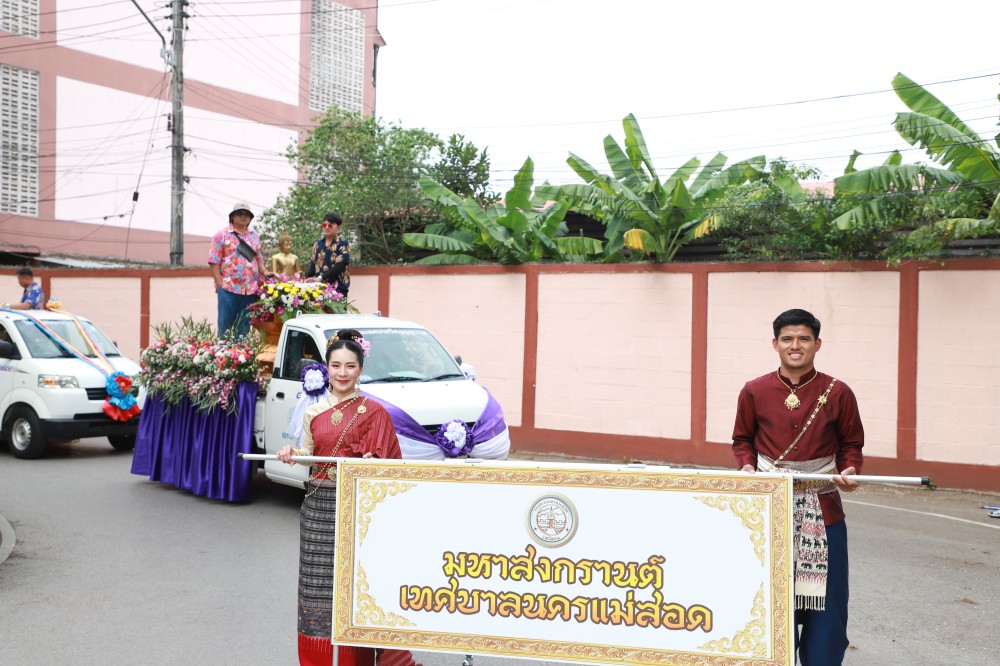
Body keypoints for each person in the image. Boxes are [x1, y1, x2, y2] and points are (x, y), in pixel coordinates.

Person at [277, 330, 419, 666]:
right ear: (326, 368)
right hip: (318, 510)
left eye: (350, 366)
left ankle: (358, 658)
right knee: (317, 591)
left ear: (360, 369)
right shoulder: (313, 412)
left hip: (358, 511)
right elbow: (310, 455)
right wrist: (291, 453)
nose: (342, 373)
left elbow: (391, 468)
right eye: (336, 365)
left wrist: (372, 464)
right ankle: (319, 659)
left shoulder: (375, 412)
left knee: (357, 589)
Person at [731, 308, 863, 666]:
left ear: (817, 344)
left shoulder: (838, 392)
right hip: (768, 512)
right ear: (775, 343)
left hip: (824, 512)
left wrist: (850, 470)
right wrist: (747, 466)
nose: (795, 345)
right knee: (768, 598)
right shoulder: (754, 390)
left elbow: (851, 444)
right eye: (787, 338)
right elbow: (742, 440)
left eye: (804, 338)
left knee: (827, 604)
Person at [208, 202, 270, 338]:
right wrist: (219, 284)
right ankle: (224, 350)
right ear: (232, 217)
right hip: (228, 288)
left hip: (249, 290)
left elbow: (258, 258)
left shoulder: (254, 235)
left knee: (243, 329)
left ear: (250, 218)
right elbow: (213, 260)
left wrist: (264, 271)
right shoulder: (222, 235)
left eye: (246, 214)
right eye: (239, 213)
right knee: (225, 327)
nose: (243, 216)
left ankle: (241, 351)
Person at [305, 213, 350, 297]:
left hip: (338, 291)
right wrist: (304, 276)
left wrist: (321, 278)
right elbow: (313, 267)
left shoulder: (343, 243)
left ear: (338, 228)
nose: (326, 227)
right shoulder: (317, 244)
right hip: (319, 290)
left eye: (330, 225)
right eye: (324, 225)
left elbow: (340, 266)